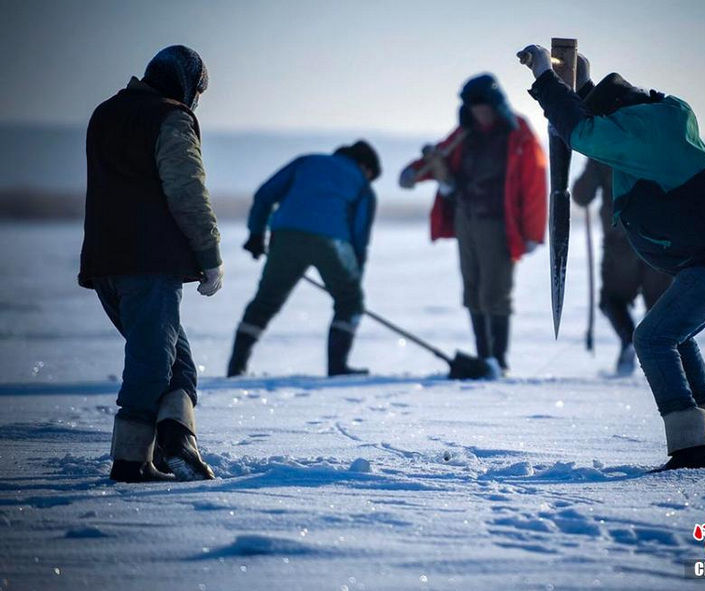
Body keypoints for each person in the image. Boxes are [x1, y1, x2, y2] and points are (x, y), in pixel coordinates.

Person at [519, 45, 705, 471]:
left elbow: (583, 132)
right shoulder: (660, 117)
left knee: (652, 338)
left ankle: (691, 449)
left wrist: (546, 79)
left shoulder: (641, 133)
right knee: (675, 332)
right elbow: (597, 121)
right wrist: (581, 82)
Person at [79, 45, 222, 483]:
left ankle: (178, 445)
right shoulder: (170, 117)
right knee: (152, 363)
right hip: (147, 261)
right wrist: (210, 255)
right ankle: (131, 460)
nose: (197, 99)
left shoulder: (106, 113)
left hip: (106, 260)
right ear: (186, 84)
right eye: (198, 89)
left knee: (176, 363)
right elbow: (187, 191)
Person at [399, 74, 547, 375]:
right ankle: (484, 358)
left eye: (484, 106)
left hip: (500, 224)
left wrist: (533, 232)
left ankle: (498, 360)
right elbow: (439, 157)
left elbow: (535, 185)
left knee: (495, 291)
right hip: (466, 220)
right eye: (474, 107)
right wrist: (415, 172)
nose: (480, 112)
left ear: (496, 105)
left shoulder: (518, 134)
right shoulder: (464, 133)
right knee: (473, 290)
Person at [227, 141, 380, 378]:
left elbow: (265, 194)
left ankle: (236, 367)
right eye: (371, 175)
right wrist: (352, 283)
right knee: (350, 302)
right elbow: (359, 239)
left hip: (286, 235)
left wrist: (256, 233)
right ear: (364, 165)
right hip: (332, 241)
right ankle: (337, 367)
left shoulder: (307, 161)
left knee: (266, 301)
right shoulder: (362, 186)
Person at [572, 159, 672, 375]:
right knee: (662, 307)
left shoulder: (604, 145)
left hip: (621, 239)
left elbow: (581, 195)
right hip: (661, 239)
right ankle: (668, 368)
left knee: (613, 299)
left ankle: (628, 340)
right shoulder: (657, 138)